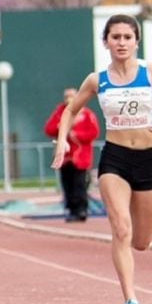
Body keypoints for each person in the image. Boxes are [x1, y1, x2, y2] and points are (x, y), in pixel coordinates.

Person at [52, 13, 152, 304]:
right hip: (115, 157)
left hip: (148, 158)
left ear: (136, 41)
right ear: (106, 42)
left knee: (141, 241)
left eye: (127, 37)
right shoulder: (96, 79)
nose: (122, 43)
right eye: (116, 37)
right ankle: (130, 300)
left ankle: (132, 278)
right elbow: (70, 111)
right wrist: (62, 140)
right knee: (121, 228)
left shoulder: (151, 72)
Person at [43, 87, 100, 222]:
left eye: (72, 96)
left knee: (79, 184)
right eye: (66, 96)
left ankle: (81, 210)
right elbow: (49, 128)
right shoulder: (60, 113)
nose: (69, 99)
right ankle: (71, 209)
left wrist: (75, 134)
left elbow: (93, 133)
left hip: (80, 157)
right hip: (64, 157)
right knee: (67, 184)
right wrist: (63, 127)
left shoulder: (87, 114)